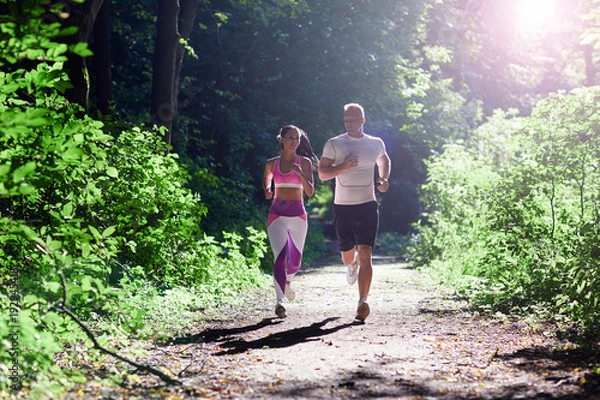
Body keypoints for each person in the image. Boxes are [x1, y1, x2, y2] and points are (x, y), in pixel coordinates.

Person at [317, 103, 391, 322]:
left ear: (363, 120)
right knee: (349, 255)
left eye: (353, 118)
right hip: (342, 206)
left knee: (366, 252)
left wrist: (384, 178)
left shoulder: (375, 143)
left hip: (368, 204)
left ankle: (363, 302)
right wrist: (343, 167)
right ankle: (351, 265)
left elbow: (384, 160)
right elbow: (322, 173)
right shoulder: (335, 144)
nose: (349, 122)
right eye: (346, 119)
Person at [263, 125, 319, 318]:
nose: (295, 141)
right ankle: (279, 302)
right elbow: (267, 179)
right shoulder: (272, 163)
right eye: (291, 138)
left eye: (297, 138)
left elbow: (310, 192)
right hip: (276, 215)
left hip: (298, 216)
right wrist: (267, 189)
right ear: (282, 140)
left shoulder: (304, 162)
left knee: (295, 262)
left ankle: (287, 282)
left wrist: (300, 173)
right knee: (280, 258)